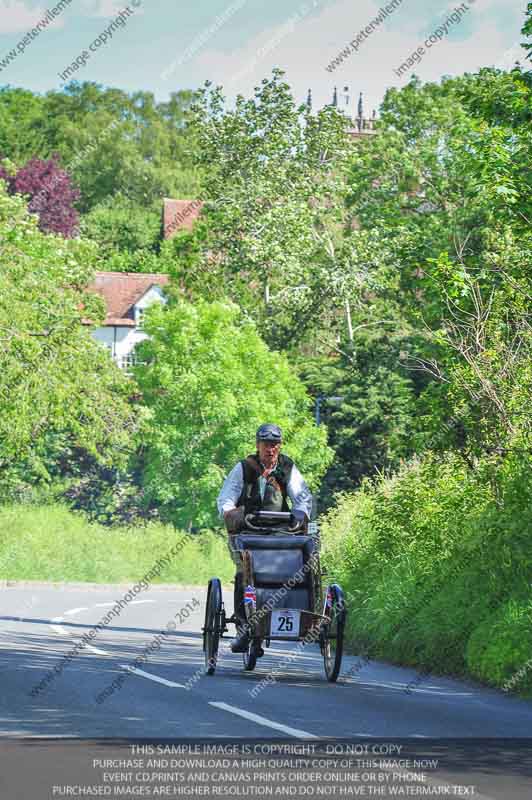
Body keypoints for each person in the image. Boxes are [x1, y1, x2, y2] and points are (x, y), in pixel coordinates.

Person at [217, 423, 313, 653]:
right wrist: (231, 513)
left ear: (279, 446)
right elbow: (226, 498)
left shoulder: (288, 467)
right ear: (257, 445)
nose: (270, 449)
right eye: (266, 445)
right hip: (248, 533)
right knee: (244, 573)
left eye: (275, 445)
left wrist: (301, 513)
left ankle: (302, 616)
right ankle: (244, 627)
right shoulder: (243, 468)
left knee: (302, 566)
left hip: (281, 534)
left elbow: (302, 496)